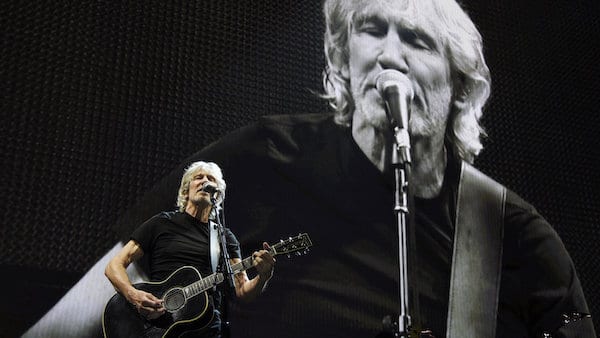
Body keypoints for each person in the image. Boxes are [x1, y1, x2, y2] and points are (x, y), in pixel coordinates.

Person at [24, 0, 595, 337]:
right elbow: (103, 296)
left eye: (416, 39)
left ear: (460, 84)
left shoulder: (510, 235)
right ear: (345, 58)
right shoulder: (266, 156)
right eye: (371, 29)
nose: (388, 54)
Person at [103, 161, 275, 337]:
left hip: (205, 329)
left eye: (211, 179)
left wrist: (263, 277)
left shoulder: (224, 237)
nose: (205, 182)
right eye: (198, 177)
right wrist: (133, 295)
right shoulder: (162, 223)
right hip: (157, 325)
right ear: (186, 190)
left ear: (218, 194)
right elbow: (114, 266)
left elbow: (242, 289)